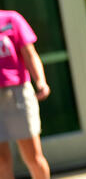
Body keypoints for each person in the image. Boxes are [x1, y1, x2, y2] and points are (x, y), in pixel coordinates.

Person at [0, 10, 50, 179]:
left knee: (33, 156)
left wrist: (40, 81)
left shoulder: (11, 19)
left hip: (17, 92)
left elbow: (30, 54)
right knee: (1, 162)